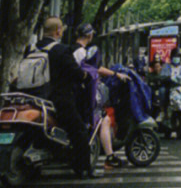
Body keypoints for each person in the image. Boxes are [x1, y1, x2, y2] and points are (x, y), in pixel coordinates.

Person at [38, 16, 94, 178]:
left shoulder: (33, 48)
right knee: (79, 130)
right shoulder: (61, 50)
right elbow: (75, 71)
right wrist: (85, 76)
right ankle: (83, 168)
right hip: (58, 98)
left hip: (34, 97)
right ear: (58, 31)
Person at [73, 23, 128, 167]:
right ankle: (110, 157)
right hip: (83, 95)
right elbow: (95, 69)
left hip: (73, 95)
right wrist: (116, 74)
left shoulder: (72, 50)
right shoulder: (82, 53)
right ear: (90, 35)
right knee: (104, 120)